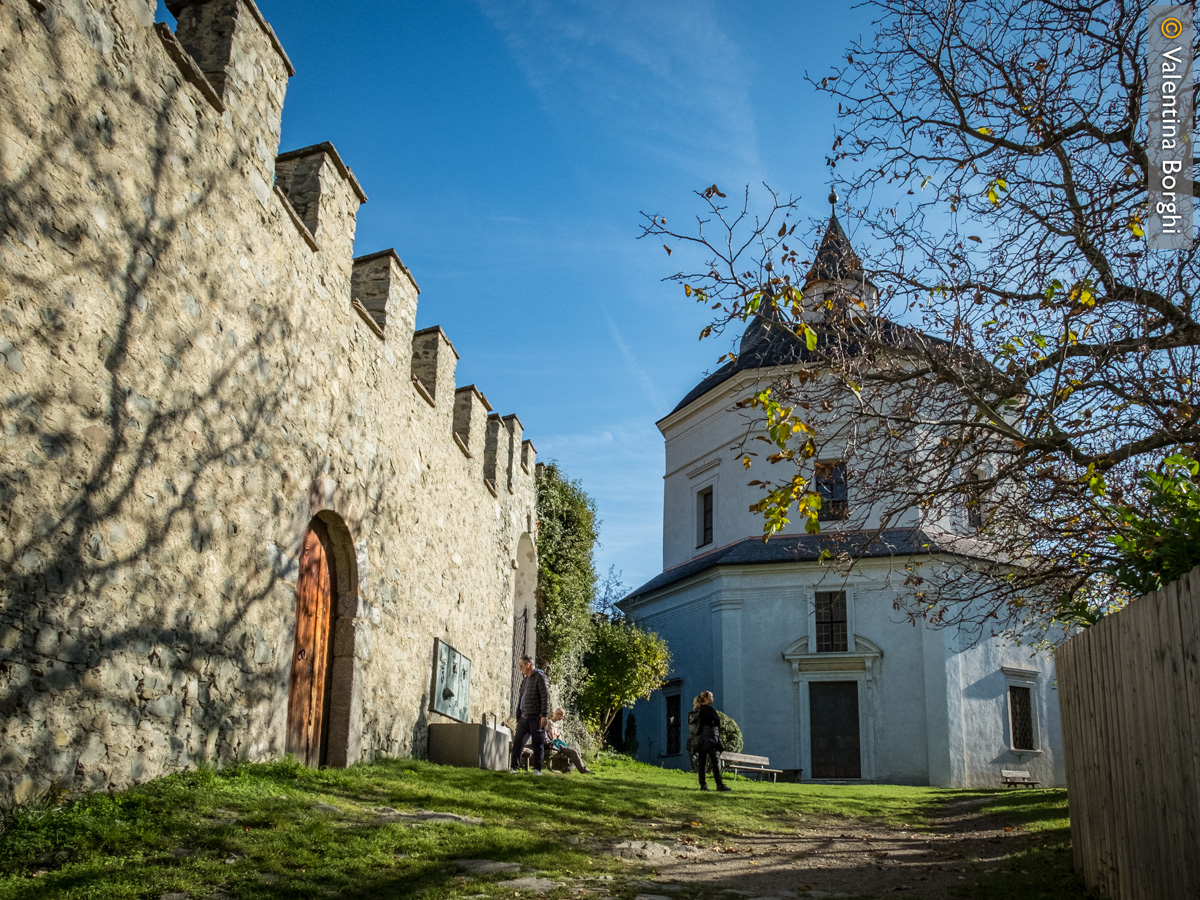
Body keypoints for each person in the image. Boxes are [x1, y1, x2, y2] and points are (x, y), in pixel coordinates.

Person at [510, 656, 550, 774]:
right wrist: (518, 714)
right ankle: (514, 768)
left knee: (537, 743)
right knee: (517, 742)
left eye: (521, 665)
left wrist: (544, 715)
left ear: (528, 665)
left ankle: (537, 769)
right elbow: (521, 697)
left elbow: (545, 697)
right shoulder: (525, 680)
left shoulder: (540, 677)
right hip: (524, 716)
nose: (520, 668)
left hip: (536, 717)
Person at [694, 690, 730, 792]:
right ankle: (719, 784)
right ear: (705, 699)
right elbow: (718, 722)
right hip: (711, 739)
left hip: (701, 740)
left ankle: (703, 785)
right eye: (711, 697)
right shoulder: (709, 710)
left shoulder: (699, 710)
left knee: (702, 762)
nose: (712, 699)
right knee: (716, 761)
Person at [545, 708, 593, 773]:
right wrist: (557, 735)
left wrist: (557, 735)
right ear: (557, 714)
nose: (562, 718)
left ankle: (568, 769)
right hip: (554, 745)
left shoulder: (557, 724)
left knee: (577, 752)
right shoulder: (549, 722)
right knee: (574, 752)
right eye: (562, 715)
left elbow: (560, 738)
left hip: (559, 744)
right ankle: (583, 770)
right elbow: (552, 737)